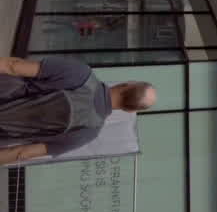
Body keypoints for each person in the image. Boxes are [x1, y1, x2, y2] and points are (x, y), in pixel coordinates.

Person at [0, 56, 155, 164]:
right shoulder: (88, 133)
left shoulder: (80, 73)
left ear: (126, 84)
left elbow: (13, 67)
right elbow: (22, 153)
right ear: (128, 110)